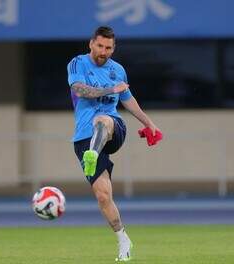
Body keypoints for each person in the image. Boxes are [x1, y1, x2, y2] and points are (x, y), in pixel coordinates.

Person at [67, 26, 161, 262]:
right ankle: (123, 238)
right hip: (83, 137)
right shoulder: (77, 63)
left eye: (109, 48)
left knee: (103, 119)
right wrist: (111, 89)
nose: (104, 51)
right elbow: (80, 90)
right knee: (103, 196)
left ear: (113, 48)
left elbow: (128, 101)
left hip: (113, 129)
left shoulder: (118, 70)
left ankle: (93, 154)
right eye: (100, 46)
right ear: (91, 44)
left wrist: (150, 124)